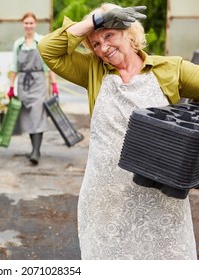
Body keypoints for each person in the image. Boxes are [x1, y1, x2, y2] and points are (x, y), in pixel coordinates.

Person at [38, 3, 199, 259]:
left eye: (109, 35)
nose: (103, 48)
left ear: (129, 33)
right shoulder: (93, 70)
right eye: (95, 44)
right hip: (105, 199)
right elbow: (48, 50)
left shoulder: (170, 69)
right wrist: (96, 20)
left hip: (159, 197)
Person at [7, 12, 58, 165]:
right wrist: (11, 87)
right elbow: (14, 66)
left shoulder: (41, 41)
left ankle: (36, 151)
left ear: (35, 24)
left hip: (38, 81)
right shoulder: (19, 44)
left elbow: (49, 65)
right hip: (23, 82)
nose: (29, 26)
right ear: (22, 24)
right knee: (28, 117)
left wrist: (54, 84)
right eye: (26, 23)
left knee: (37, 115)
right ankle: (34, 149)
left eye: (31, 23)